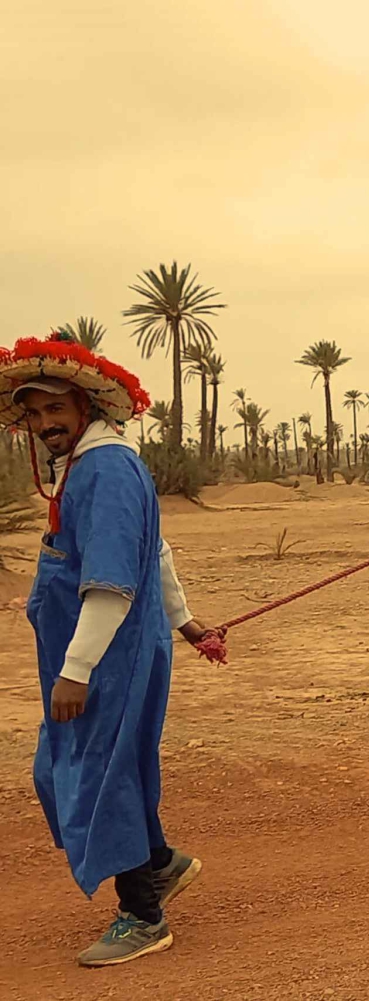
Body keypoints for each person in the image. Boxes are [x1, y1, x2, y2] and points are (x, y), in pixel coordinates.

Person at [2, 333, 209, 967]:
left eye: (55, 409)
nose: (45, 424)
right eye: (35, 413)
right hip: (105, 653)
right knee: (83, 770)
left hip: (108, 658)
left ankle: (143, 916)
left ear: (86, 407)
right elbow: (157, 551)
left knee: (98, 777)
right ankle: (158, 863)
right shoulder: (85, 467)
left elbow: (112, 582)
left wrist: (76, 670)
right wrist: (186, 621)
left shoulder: (106, 470)